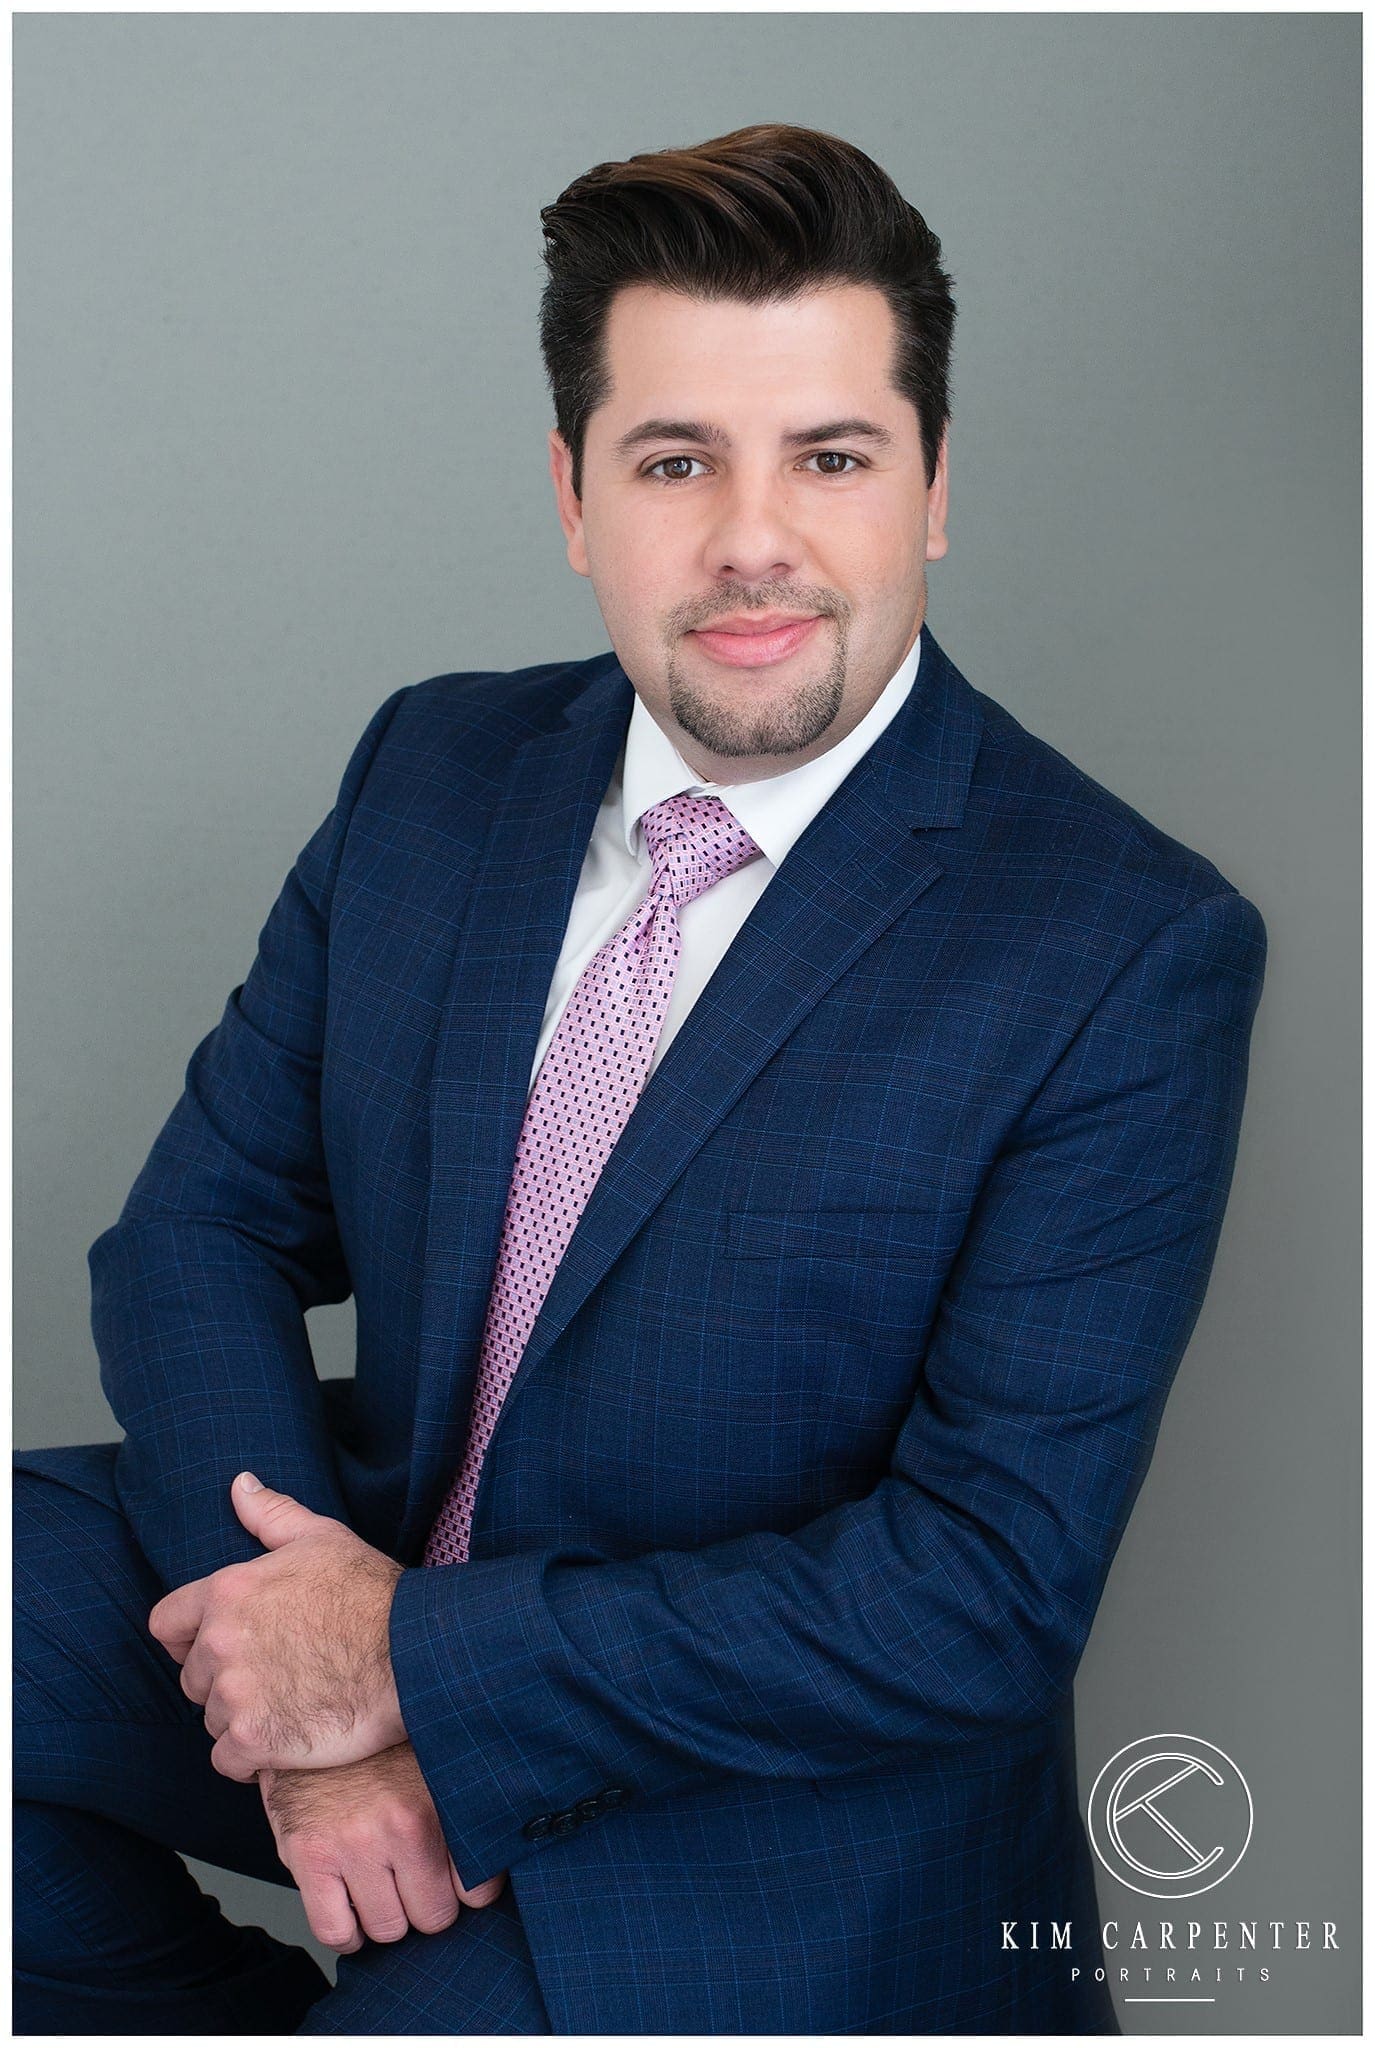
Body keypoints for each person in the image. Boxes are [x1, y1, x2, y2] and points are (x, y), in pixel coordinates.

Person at [14, 122, 1267, 2035]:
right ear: (572, 491)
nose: (751, 536)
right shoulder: (435, 773)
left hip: (758, 1805)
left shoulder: (1120, 946)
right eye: (676, 460)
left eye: (830, 458)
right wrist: (306, 1688)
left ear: (932, 484)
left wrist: (415, 1667)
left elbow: (982, 1592)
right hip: (371, 1584)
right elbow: (195, 1228)